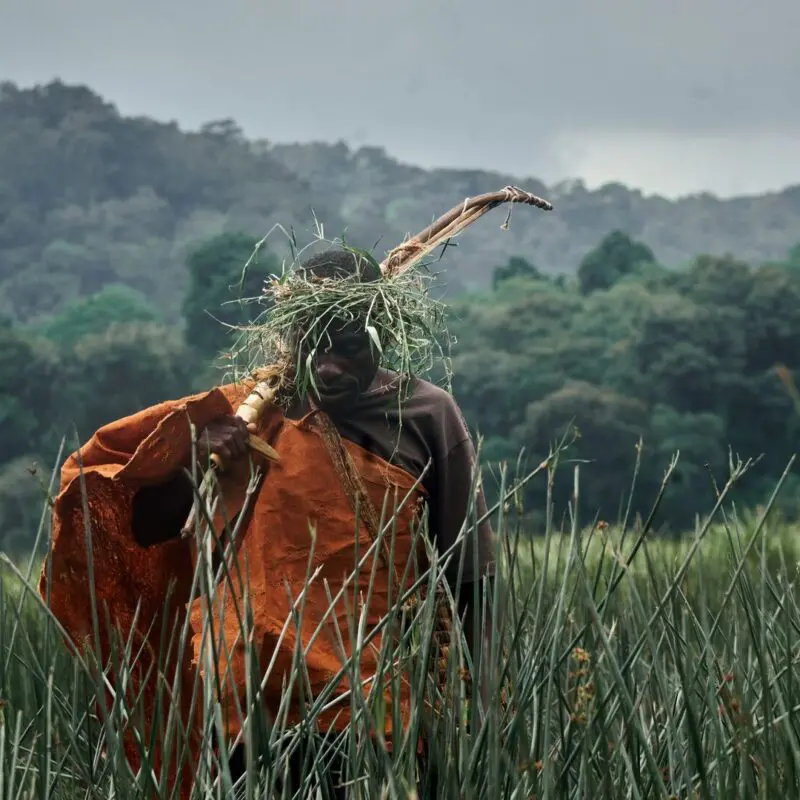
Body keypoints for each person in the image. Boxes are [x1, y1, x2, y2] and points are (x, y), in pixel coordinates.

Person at [40, 248, 495, 798]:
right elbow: (147, 526)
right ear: (287, 337)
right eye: (312, 347)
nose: (328, 367)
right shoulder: (241, 415)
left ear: (384, 332)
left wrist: (483, 709)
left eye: (348, 349)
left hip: (371, 703)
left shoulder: (426, 413)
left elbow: (470, 576)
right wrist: (194, 456)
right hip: (246, 706)